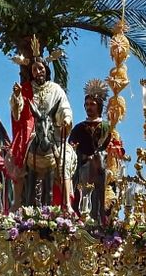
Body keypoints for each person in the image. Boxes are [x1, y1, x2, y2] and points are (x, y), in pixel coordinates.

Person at [8, 56, 74, 208]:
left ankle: (67, 204)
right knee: (18, 156)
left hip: (54, 133)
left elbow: (64, 106)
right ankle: (17, 201)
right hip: (32, 132)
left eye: (41, 68)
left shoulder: (55, 89)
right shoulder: (26, 88)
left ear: (46, 70)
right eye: (34, 69)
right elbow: (18, 111)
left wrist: (66, 119)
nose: (38, 72)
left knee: (66, 158)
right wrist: (17, 96)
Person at [68, 80, 124, 223]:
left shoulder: (107, 127)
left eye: (92, 104)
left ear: (99, 105)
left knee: (99, 198)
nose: (88, 107)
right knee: (82, 197)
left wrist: (105, 154)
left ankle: (99, 219)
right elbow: (70, 150)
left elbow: (114, 151)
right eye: (86, 104)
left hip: (100, 170)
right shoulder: (79, 128)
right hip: (81, 170)